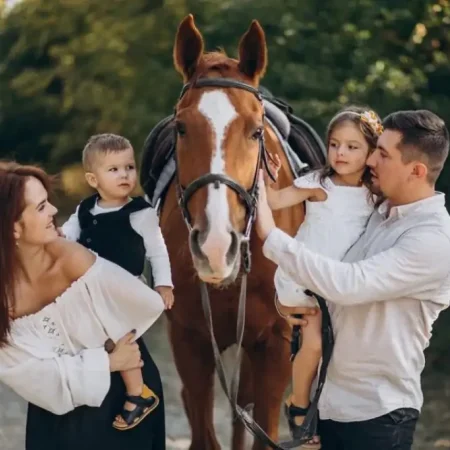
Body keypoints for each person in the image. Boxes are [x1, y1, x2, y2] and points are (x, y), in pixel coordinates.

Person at [256, 109, 450, 450]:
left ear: (417, 171)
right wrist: (289, 302)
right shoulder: (380, 214)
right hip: (328, 404)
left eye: (383, 153)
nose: (371, 159)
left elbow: (348, 284)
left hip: (376, 416)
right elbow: (328, 265)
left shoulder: (432, 240)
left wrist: (269, 234)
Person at [0, 161, 166, 449]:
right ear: (12, 229)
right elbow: (30, 378)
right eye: (41, 207)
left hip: (125, 402)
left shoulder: (73, 257)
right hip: (53, 415)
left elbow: (146, 304)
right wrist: (106, 361)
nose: (54, 211)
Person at [264, 106, 383, 448]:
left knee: (340, 353)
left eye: (352, 146)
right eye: (334, 144)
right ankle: (298, 403)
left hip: (342, 285)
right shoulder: (319, 183)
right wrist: (267, 178)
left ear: (371, 151)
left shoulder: (375, 193)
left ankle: (326, 413)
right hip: (303, 279)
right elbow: (275, 200)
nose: (340, 153)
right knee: (314, 342)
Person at [60, 133, 174, 430]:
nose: (124, 174)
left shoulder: (140, 213)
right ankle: (83, 383)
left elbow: (158, 252)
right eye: (114, 170)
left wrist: (164, 284)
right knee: (91, 330)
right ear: (93, 179)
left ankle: (138, 393)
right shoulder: (85, 209)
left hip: (126, 289)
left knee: (121, 335)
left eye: (129, 167)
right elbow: (64, 238)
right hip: (92, 289)